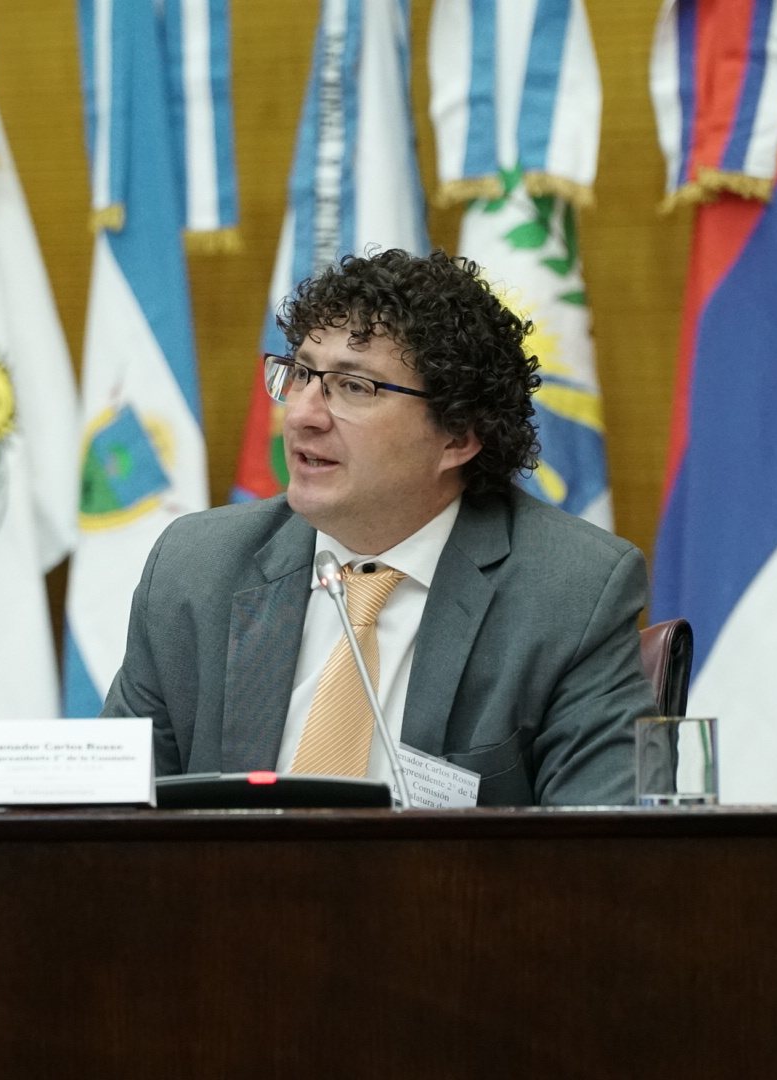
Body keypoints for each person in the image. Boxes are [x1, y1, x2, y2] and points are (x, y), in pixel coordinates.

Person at [101, 248, 656, 805]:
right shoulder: (196, 569)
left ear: (457, 436)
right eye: (302, 375)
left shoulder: (571, 593)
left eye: (354, 387)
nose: (302, 415)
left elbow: (602, 840)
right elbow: (110, 819)